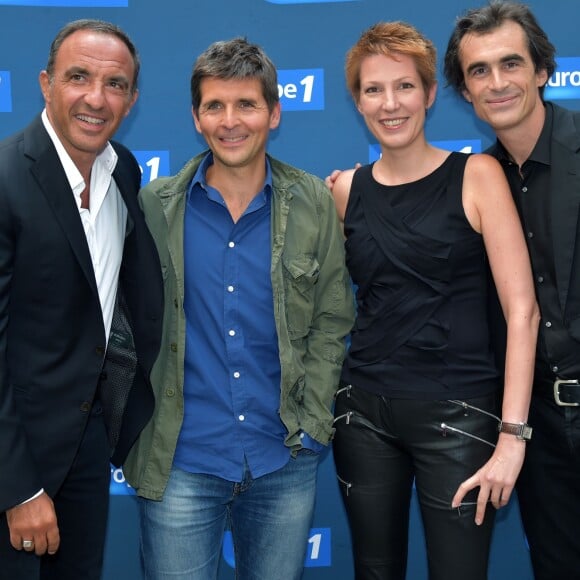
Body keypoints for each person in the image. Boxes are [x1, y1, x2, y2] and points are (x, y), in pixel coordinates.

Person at [122, 37, 355, 580]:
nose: (231, 121)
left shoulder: (313, 203)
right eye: (215, 106)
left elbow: (332, 320)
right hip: (179, 461)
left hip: (284, 458)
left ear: (274, 112)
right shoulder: (155, 207)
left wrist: (315, 423)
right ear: (196, 118)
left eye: (246, 104)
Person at [329, 21, 539, 580]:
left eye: (404, 86)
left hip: (462, 421)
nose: (390, 103)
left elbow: (523, 311)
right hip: (362, 416)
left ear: (428, 94)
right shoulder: (345, 191)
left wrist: (512, 436)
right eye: (373, 89)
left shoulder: (478, 175)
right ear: (357, 101)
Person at [0, 19, 163, 580]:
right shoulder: (4, 179)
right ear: (46, 83)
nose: (97, 98)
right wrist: (19, 488)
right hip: (15, 461)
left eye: (115, 84)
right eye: (78, 77)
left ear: (133, 98)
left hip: (89, 447)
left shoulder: (124, 172)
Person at [443, 2, 580, 578]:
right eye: (479, 71)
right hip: (537, 430)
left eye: (510, 63)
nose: (497, 83)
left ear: (543, 70)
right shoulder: (475, 182)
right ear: (465, 91)